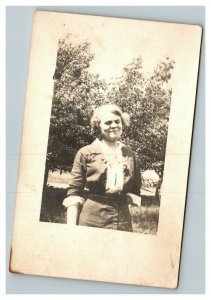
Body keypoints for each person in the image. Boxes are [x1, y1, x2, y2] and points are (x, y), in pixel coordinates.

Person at [62, 104, 141, 232]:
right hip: (92, 220)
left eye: (117, 121)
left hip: (123, 222)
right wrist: (71, 230)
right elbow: (74, 192)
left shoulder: (130, 155)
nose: (114, 125)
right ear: (98, 126)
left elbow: (135, 190)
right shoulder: (85, 153)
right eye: (108, 122)